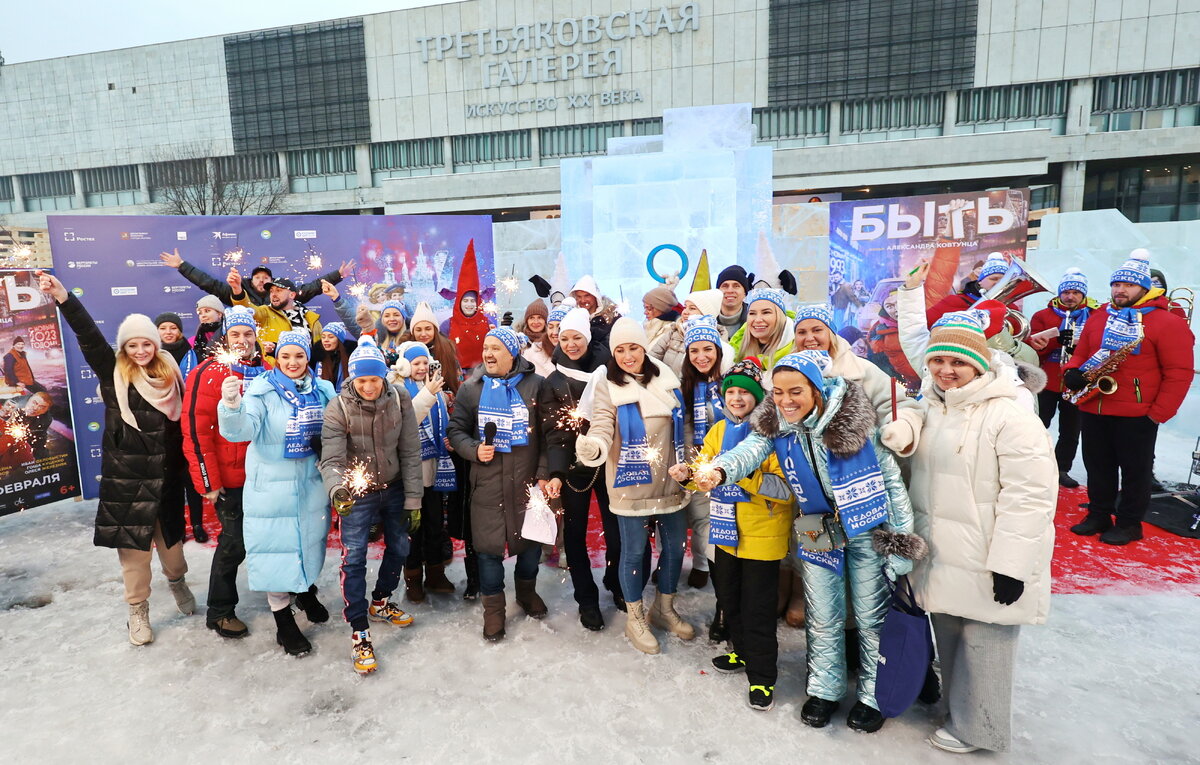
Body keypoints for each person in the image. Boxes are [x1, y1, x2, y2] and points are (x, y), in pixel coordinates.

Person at [700, 350, 921, 732]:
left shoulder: (854, 423)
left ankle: (871, 696)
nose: (786, 400)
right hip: (817, 527)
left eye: (795, 391)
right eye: (779, 392)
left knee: (870, 617)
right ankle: (825, 689)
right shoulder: (777, 426)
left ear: (815, 390)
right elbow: (749, 451)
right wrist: (719, 469)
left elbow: (891, 482)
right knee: (822, 616)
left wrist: (900, 540)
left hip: (865, 527)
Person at [906, 309, 1057, 754]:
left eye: (958, 363)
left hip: (990, 554)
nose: (946, 371)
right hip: (943, 550)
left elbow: (1030, 496)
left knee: (987, 644)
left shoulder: (1011, 415)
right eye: (937, 361)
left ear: (980, 364)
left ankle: (981, 729)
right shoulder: (933, 405)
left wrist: (1011, 565)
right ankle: (958, 712)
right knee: (951, 636)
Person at [37, 270, 195, 646]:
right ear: (123, 349)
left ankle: (178, 581)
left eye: (147, 344)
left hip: (167, 479)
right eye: (132, 346)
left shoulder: (171, 376)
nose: (140, 351)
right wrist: (64, 297)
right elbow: (88, 336)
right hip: (127, 481)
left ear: (156, 346)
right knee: (134, 556)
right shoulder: (113, 375)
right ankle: (137, 611)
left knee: (172, 552)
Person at [671, 357, 794, 711]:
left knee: (757, 608)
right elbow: (704, 470)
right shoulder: (719, 430)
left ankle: (763, 677)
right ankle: (740, 651)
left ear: (759, 397)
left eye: (745, 392)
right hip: (725, 531)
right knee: (729, 598)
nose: (737, 398)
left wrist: (744, 475)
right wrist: (686, 475)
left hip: (762, 535)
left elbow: (785, 489)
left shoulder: (773, 434)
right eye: (732, 392)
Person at [575, 318, 693, 655]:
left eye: (634, 347)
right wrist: (594, 446)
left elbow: (682, 426)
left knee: (674, 549)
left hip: (671, 478)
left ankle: (664, 608)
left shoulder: (668, 378)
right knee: (633, 552)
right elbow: (602, 423)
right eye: (621, 349)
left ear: (644, 347)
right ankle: (635, 616)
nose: (628, 355)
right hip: (630, 484)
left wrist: (691, 461)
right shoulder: (606, 383)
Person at [1063, 250, 1195, 545]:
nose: (1120, 290)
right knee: (1097, 466)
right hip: (1095, 406)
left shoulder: (1168, 323)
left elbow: (1179, 373)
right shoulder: (1100, 317)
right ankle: (1098, 514)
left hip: (1138, 413)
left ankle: (1129, 524)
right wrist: (1073, 371)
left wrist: (1156, 414)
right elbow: (1082, 353)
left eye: (1128, 285)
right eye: (1116, 284)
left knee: (1135, 474)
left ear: (1145, 289)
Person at [218, 330, 337, 656]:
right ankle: (283, 621)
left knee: (308, 545)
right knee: (276, 552)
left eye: (298, 356)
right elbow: (241, 430)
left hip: (311, 486)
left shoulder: (323, 390)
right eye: (286, 356)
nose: (293, 362)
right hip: (272, 490)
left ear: (307, 358)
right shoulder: (263, 390)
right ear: (277, 358)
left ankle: (305, 591)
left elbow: (337, 430)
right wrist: (231, 405)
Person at [319, 339, 424, 675]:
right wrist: (338, 490)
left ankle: (381, 600)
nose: (367, 386)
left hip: (393, 487)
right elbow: (331, 459)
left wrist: (413, 499)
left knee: (400, 547)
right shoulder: (339, 407)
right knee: (355, 559)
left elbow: (410, 450)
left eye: (374, 380)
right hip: (357, 494)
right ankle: (359, 629)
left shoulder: (400, 397)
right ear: (352, 379)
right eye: (360, 380)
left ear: (383, 378)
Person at [447, 327, 550, 641]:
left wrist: (544, 474)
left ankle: (526, 592)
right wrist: (473, 449)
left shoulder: (536, 386)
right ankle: (493, 610)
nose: (488, 354)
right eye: (486, 348)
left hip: (527, 484)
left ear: (513, 353)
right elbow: (456, 431)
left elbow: (548, 438)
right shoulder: (471, 388)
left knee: (531, 547)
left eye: (497, 349)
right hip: (487, 485)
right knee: (489, 552)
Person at [180, 306, 269, 639]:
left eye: (248, 334)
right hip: (232, 481)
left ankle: (286, 593)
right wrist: (209, 482)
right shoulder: (208, 372)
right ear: (225, 336)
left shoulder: (268, 370)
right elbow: (195, 429)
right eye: (236, 334)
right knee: (234, 544)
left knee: (271, 538)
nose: (243, 340)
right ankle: (219, 611)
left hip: (266, 476)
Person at [542, 307, 624, 630]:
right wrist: (557, 473)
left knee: (616, 535)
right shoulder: (554, 379)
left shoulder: (610, 370)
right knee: (574, 536)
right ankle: (586, 600)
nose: (571, 344)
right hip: (575, 470)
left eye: (577, 337)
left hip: (609, 463)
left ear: (588, 338)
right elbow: (555, 432)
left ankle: (617, 583)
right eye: (564, 338)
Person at [391, 340, 459, 601]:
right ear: (405, 365)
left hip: (433, 467)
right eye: (416, 363)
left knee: (433, 525)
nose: (421, 367)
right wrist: (429, 393)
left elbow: (442, 420)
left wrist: (449, 437)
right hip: (409, 472)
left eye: (424, 362)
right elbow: (406, 422)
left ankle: (435, 572)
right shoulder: (397, 388)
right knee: (412, 529)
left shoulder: (435, 388)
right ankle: (412, 578)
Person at [678, 315, 734, 609]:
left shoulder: (731, 384)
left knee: (720, 522)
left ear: (718, 350)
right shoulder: (683, 386)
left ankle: (718, 572)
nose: (701, 356)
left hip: (731, 465)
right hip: (696, 463)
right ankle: (697, 565)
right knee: (697, 518)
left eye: (707, 349)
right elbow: (682, 428)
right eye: (694, 351)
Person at [1028, 268, 1094, 488]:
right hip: (1047, 380)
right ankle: (1032, 466)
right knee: (1038, 425)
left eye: (1076, 292)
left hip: (1076, 382)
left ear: (1083, 295)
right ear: (1059, 293)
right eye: (1066, 292)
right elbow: (1031, 349)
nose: (1070, 296)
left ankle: (1061, 469)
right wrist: (1057, 341)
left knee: (1071, 430)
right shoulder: (1042, 316)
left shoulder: (1094, 316)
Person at [158, 247, 348, 307]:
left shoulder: (284, 294)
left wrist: (337, 275)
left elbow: (313, 286)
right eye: (257, 277)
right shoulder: (236, 291)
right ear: (251, 279)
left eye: (266, 277)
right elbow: (208, 283)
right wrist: (182, 266)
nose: (262, 280)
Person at [228, 272, 322, 360]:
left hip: (305, 373)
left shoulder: (310, 318)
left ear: (292, 295)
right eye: (272, 291)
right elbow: (247, 309)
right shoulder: (265, 312)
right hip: (271, 373)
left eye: (279, 291)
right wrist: (237, 290)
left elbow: (320, 353)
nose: (273, 295)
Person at [650, 288, 728, 375]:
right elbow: (651, 360)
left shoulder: (718, 339)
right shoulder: (673, 333)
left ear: (706, 314)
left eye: (692, 308)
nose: (685, 312)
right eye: (685, 307)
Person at [924, 252, 1009, 325]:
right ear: (980, 281)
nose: (999, 283)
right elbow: (925, 324)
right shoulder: (953, 301)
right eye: (994, 279)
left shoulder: (1010, 305)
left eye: (1005, 280)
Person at [445, 241, 493, 370]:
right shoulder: (446, 325)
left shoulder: (488, 324)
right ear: (458, 302)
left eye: (473, 301)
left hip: (483, 377)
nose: (470, 304)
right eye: (465, 301)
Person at [403, 301, 462, 395]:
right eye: (418, 330)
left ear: (434, 329)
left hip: (443, 401)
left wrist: (447, 397)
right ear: (412, 332)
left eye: (428, 329)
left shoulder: (447, 349)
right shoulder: (404, 351)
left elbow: (458, 382)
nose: (423, 334)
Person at [731, 288, 795, 370]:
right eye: (752, 313)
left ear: (779, 317)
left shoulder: (796, 351)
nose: (758, 320)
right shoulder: (736, 350)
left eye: (766, 312)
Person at [570, 275, 621, 352]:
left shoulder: (613, 317)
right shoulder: (572, 318)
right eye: (579, 297)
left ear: (595, 296)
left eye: (587, 296)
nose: (583, 300)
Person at [180, 295, 225, 378]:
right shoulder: (192, 341)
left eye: (207, 311)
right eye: (200, 313)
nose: (203, 315)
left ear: (219, 314)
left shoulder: (230, 337)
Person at [313, 322, 356, 391]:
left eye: (331, 337)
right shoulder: (318, 358)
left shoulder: (350, 358)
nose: (326, 340)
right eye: (323, 337)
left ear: (339, 340)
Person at [519, 298, 555, 377]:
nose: (536, 322)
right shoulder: (518, 340)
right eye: (531, 318)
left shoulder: (552, 340)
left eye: (540, 317)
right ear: (526, 321)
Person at [716, 265, 752, 338]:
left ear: (745, 292)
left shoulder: (755, 320)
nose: (730, 291)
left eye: (736, 286)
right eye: (725, 286)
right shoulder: (705, 319)